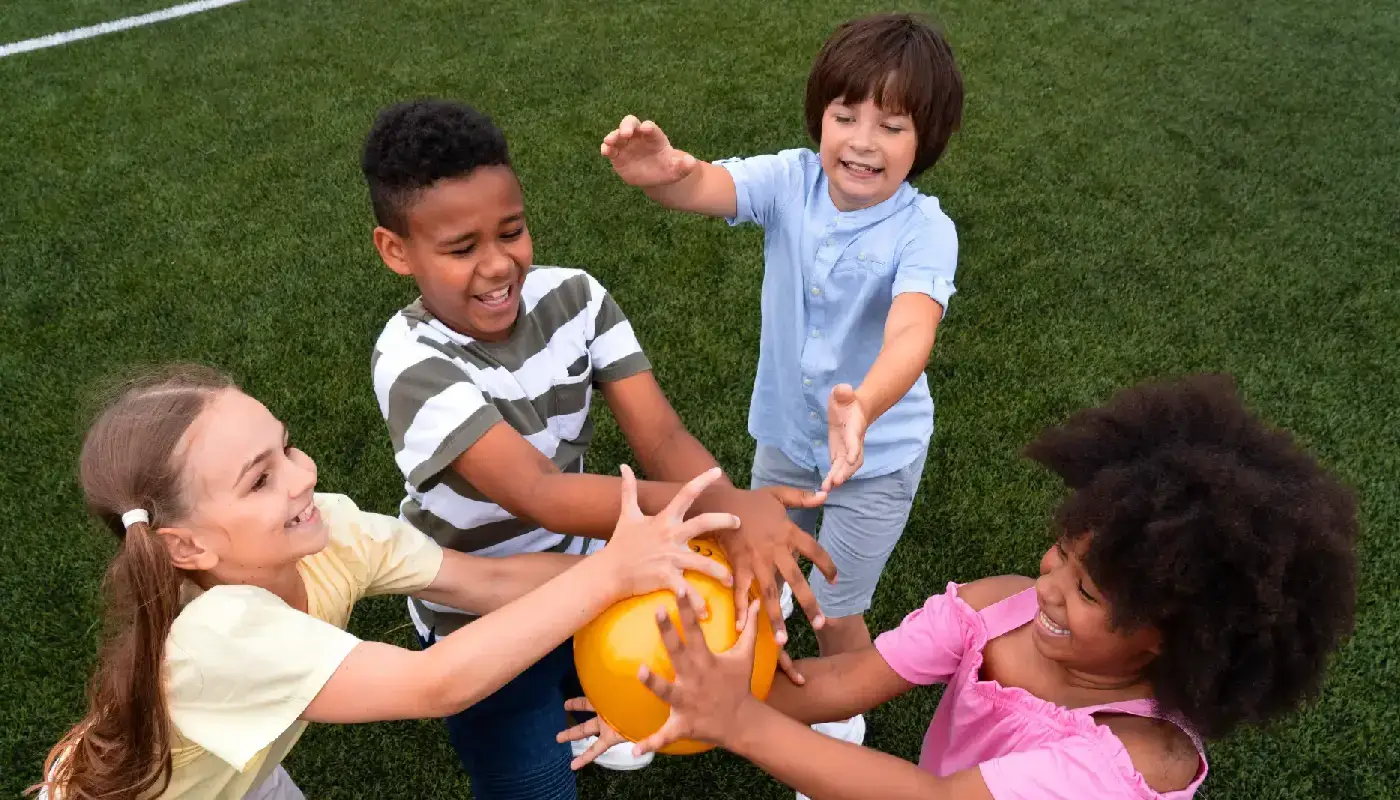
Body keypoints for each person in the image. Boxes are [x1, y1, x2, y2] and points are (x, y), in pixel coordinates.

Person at [564, 374, 1360, 800]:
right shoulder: (998, 607)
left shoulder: (1129, 765)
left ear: (1177, 641)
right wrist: (676, 696)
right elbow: (847, 679)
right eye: (1062, 553)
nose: (1049, 584)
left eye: (1088, 593)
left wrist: (738, 721)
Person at [360, 99, 835, 792]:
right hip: (482, 619)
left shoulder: (577, 298)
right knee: (535, 782)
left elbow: (663, 435)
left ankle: (601, 694)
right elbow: (540, 494)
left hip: (602, 580)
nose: (498, 265)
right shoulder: (409, 362)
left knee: (650, 694)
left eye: (512, 231)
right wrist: (726, 512)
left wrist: (725, 514)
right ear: (396, 250)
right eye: (462, 249)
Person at [33, 364, 739, 799]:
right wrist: (613, 570)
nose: (304, 475)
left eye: (286, 447)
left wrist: (643, 573)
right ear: (182, 544)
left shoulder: (331, 529)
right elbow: (436, 684)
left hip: (239, 778)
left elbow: (486, 584)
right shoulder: (218, 637)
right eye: (261, 479)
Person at [600, 11, 964, 748]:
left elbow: (911, 331)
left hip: (876, 459)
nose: (862, 142)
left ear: (927, 141)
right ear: (819, 117)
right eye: (845, 115)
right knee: (755, 558)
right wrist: (662, 177)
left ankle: (840, 724)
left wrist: (862, 405)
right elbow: (704, 184)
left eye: (892, 126)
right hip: (786, 441)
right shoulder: (791, 181)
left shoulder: (925, 230)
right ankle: (746, 661)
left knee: (836, 607)